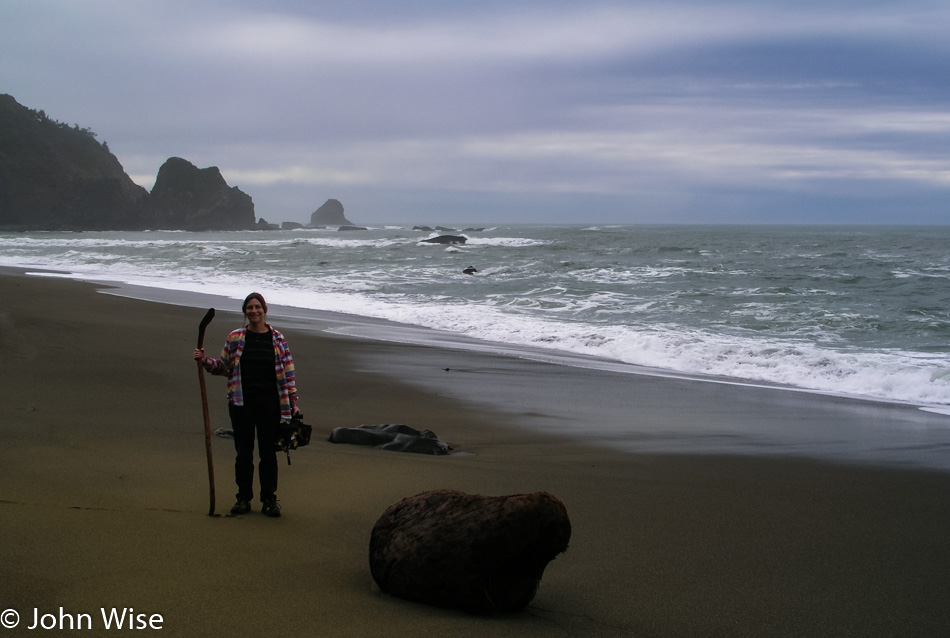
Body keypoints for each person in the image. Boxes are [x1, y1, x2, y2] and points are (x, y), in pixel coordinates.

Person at [193, 292, 299, 517]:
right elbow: (224, 367)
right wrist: (204, 361)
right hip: (242, 404)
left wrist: (293, 403)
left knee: (268, 454)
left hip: (270, 405)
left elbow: (289, 375)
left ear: (264, 309)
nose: (253, 311)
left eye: (257, 307)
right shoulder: (235, 338)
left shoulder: (278, 339)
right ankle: (243, 498)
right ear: (245, 311)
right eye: (249, 308)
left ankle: (269, 500)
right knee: (243, 453)